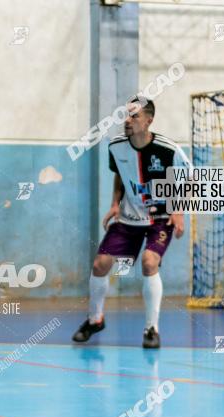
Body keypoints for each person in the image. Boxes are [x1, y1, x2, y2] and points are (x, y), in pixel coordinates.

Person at [72, 96, 190, 349]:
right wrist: (115, 203)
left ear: (149, 120)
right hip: (128, 217)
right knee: (100, 264)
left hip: (160, 218)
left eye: (134, 116)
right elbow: (120, 176)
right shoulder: (116, 146)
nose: (127, 120)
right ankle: (95, 319)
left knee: (149, 262)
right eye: (126, 114)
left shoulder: (169, 149)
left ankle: (151, 329)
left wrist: (179, 210)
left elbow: (189, 179)